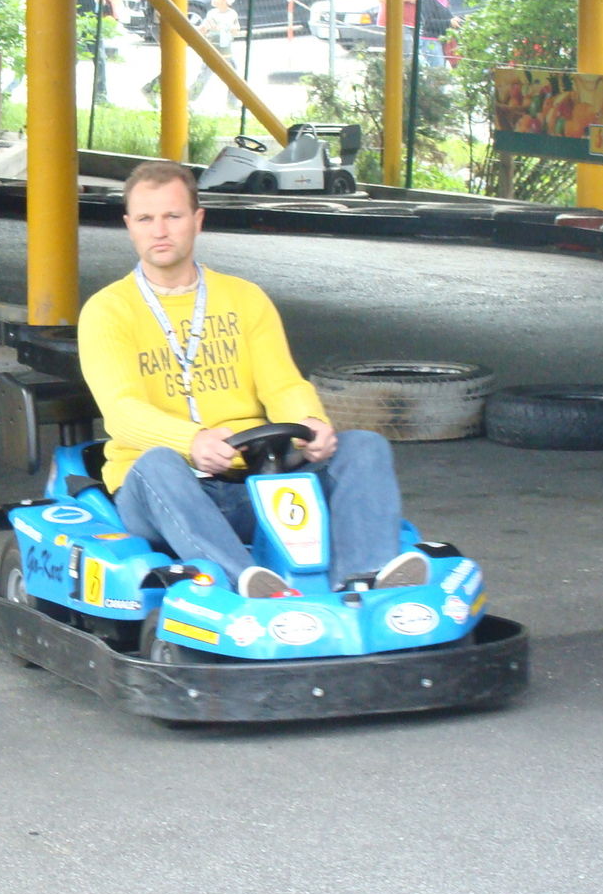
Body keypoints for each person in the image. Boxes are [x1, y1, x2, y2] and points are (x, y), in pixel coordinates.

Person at [77, 161, 424, 598]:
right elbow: (122, 412)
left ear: (198, 220)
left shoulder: (244, 298)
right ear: (129, 226)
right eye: (146, 219)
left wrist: (311, 424)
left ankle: (362, 582)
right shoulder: (108, 310)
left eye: (173, 216)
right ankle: (245, 585)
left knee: (364, 447)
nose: (159, 231)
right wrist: (192, 442)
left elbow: (283, 385)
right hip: (163, 490)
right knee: (159, 463)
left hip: (254, 480)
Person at [189, 0, 240, 103]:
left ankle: (232, 102)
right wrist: (196, 29)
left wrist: (224, 28)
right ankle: (189, 98)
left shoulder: (232, 14)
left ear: (225, 0)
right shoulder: (212, 13)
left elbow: (236, 29)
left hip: (226, 52)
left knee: (234, 78)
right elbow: (204, 28)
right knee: (203, 76)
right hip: (212, 50)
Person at [74, 0, 114, 103]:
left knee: (100, 60)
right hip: (77, 28)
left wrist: (102, 4)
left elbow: (104, 10)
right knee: (71, 61)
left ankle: (101, 95)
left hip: (93, 28)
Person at [416, 0, 454, 68]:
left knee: (443, 69)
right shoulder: (427, 0)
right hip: (431, 41)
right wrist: (449, 22)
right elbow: (428, 23)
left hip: (443, 40)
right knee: (438, 69)